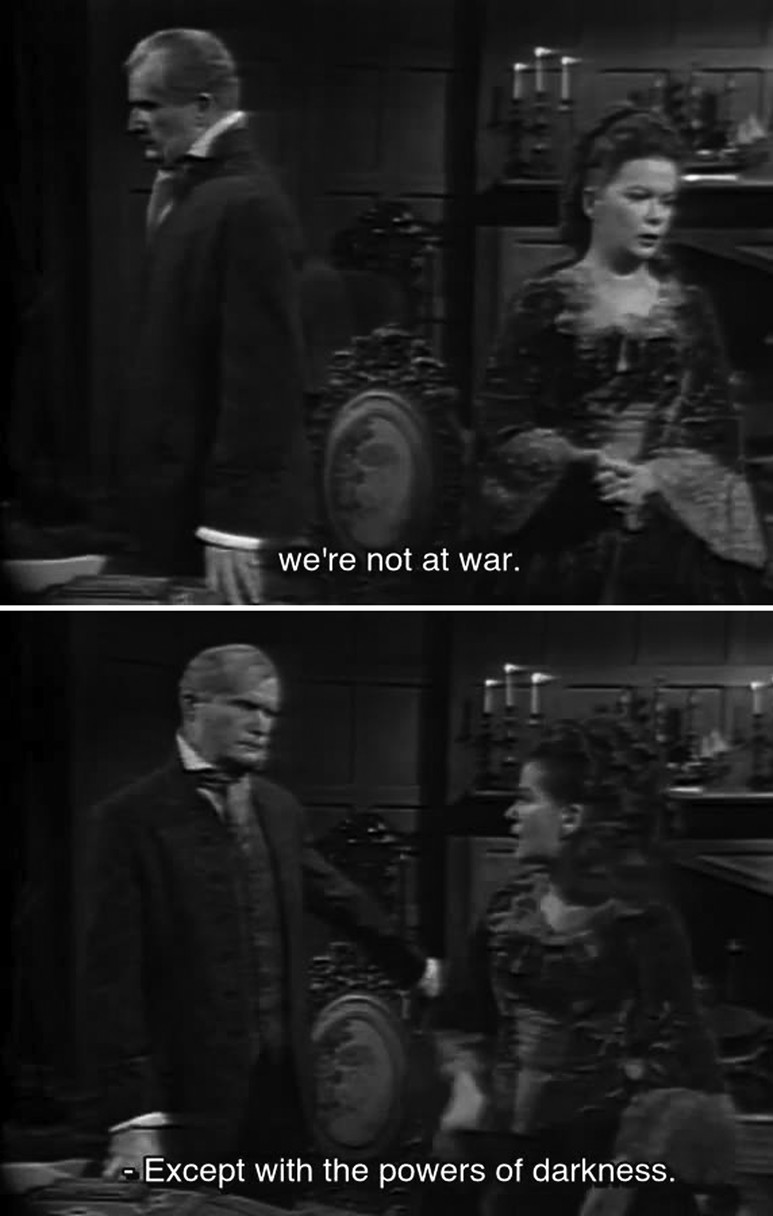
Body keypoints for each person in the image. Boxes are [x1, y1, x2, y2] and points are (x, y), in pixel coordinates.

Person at [82, 644, 441, 1200]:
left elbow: (338, 897)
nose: (262, 725)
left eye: (271, 712)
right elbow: (112, 981)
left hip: (280, 1091)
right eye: (247, 706)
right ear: (193, 705)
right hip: (185, 1101)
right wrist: (133, 1116)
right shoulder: (129, 819)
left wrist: (415, 968)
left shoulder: (278, 808)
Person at [421, 738, 739, 1216]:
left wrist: (626, 1171)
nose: (511, 813)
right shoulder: (507, 909)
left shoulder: (641, 921)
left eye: (526, 799)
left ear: (570, 818)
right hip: (505, 1140)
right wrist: (467, 1087)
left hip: (605, 1150)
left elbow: (676, 1053)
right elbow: (465, 1018)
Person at [474, 105, 767, 604]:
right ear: (592, 200)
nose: (656, 216)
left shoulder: (688, 306)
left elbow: (715, 430)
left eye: (667, 201)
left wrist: (654, 478)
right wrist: (578, 462)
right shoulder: (544, 299)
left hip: (664, 516)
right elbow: (501, 419)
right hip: (562, 513)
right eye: (638, 196)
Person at [120, 29, 311, 603]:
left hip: (210, 517)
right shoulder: (197, 193)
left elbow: (263, 379)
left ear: (202, 107)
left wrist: (236, 525)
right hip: (169, 498)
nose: (133, 123)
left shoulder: (246, 204)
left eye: (149, 105)